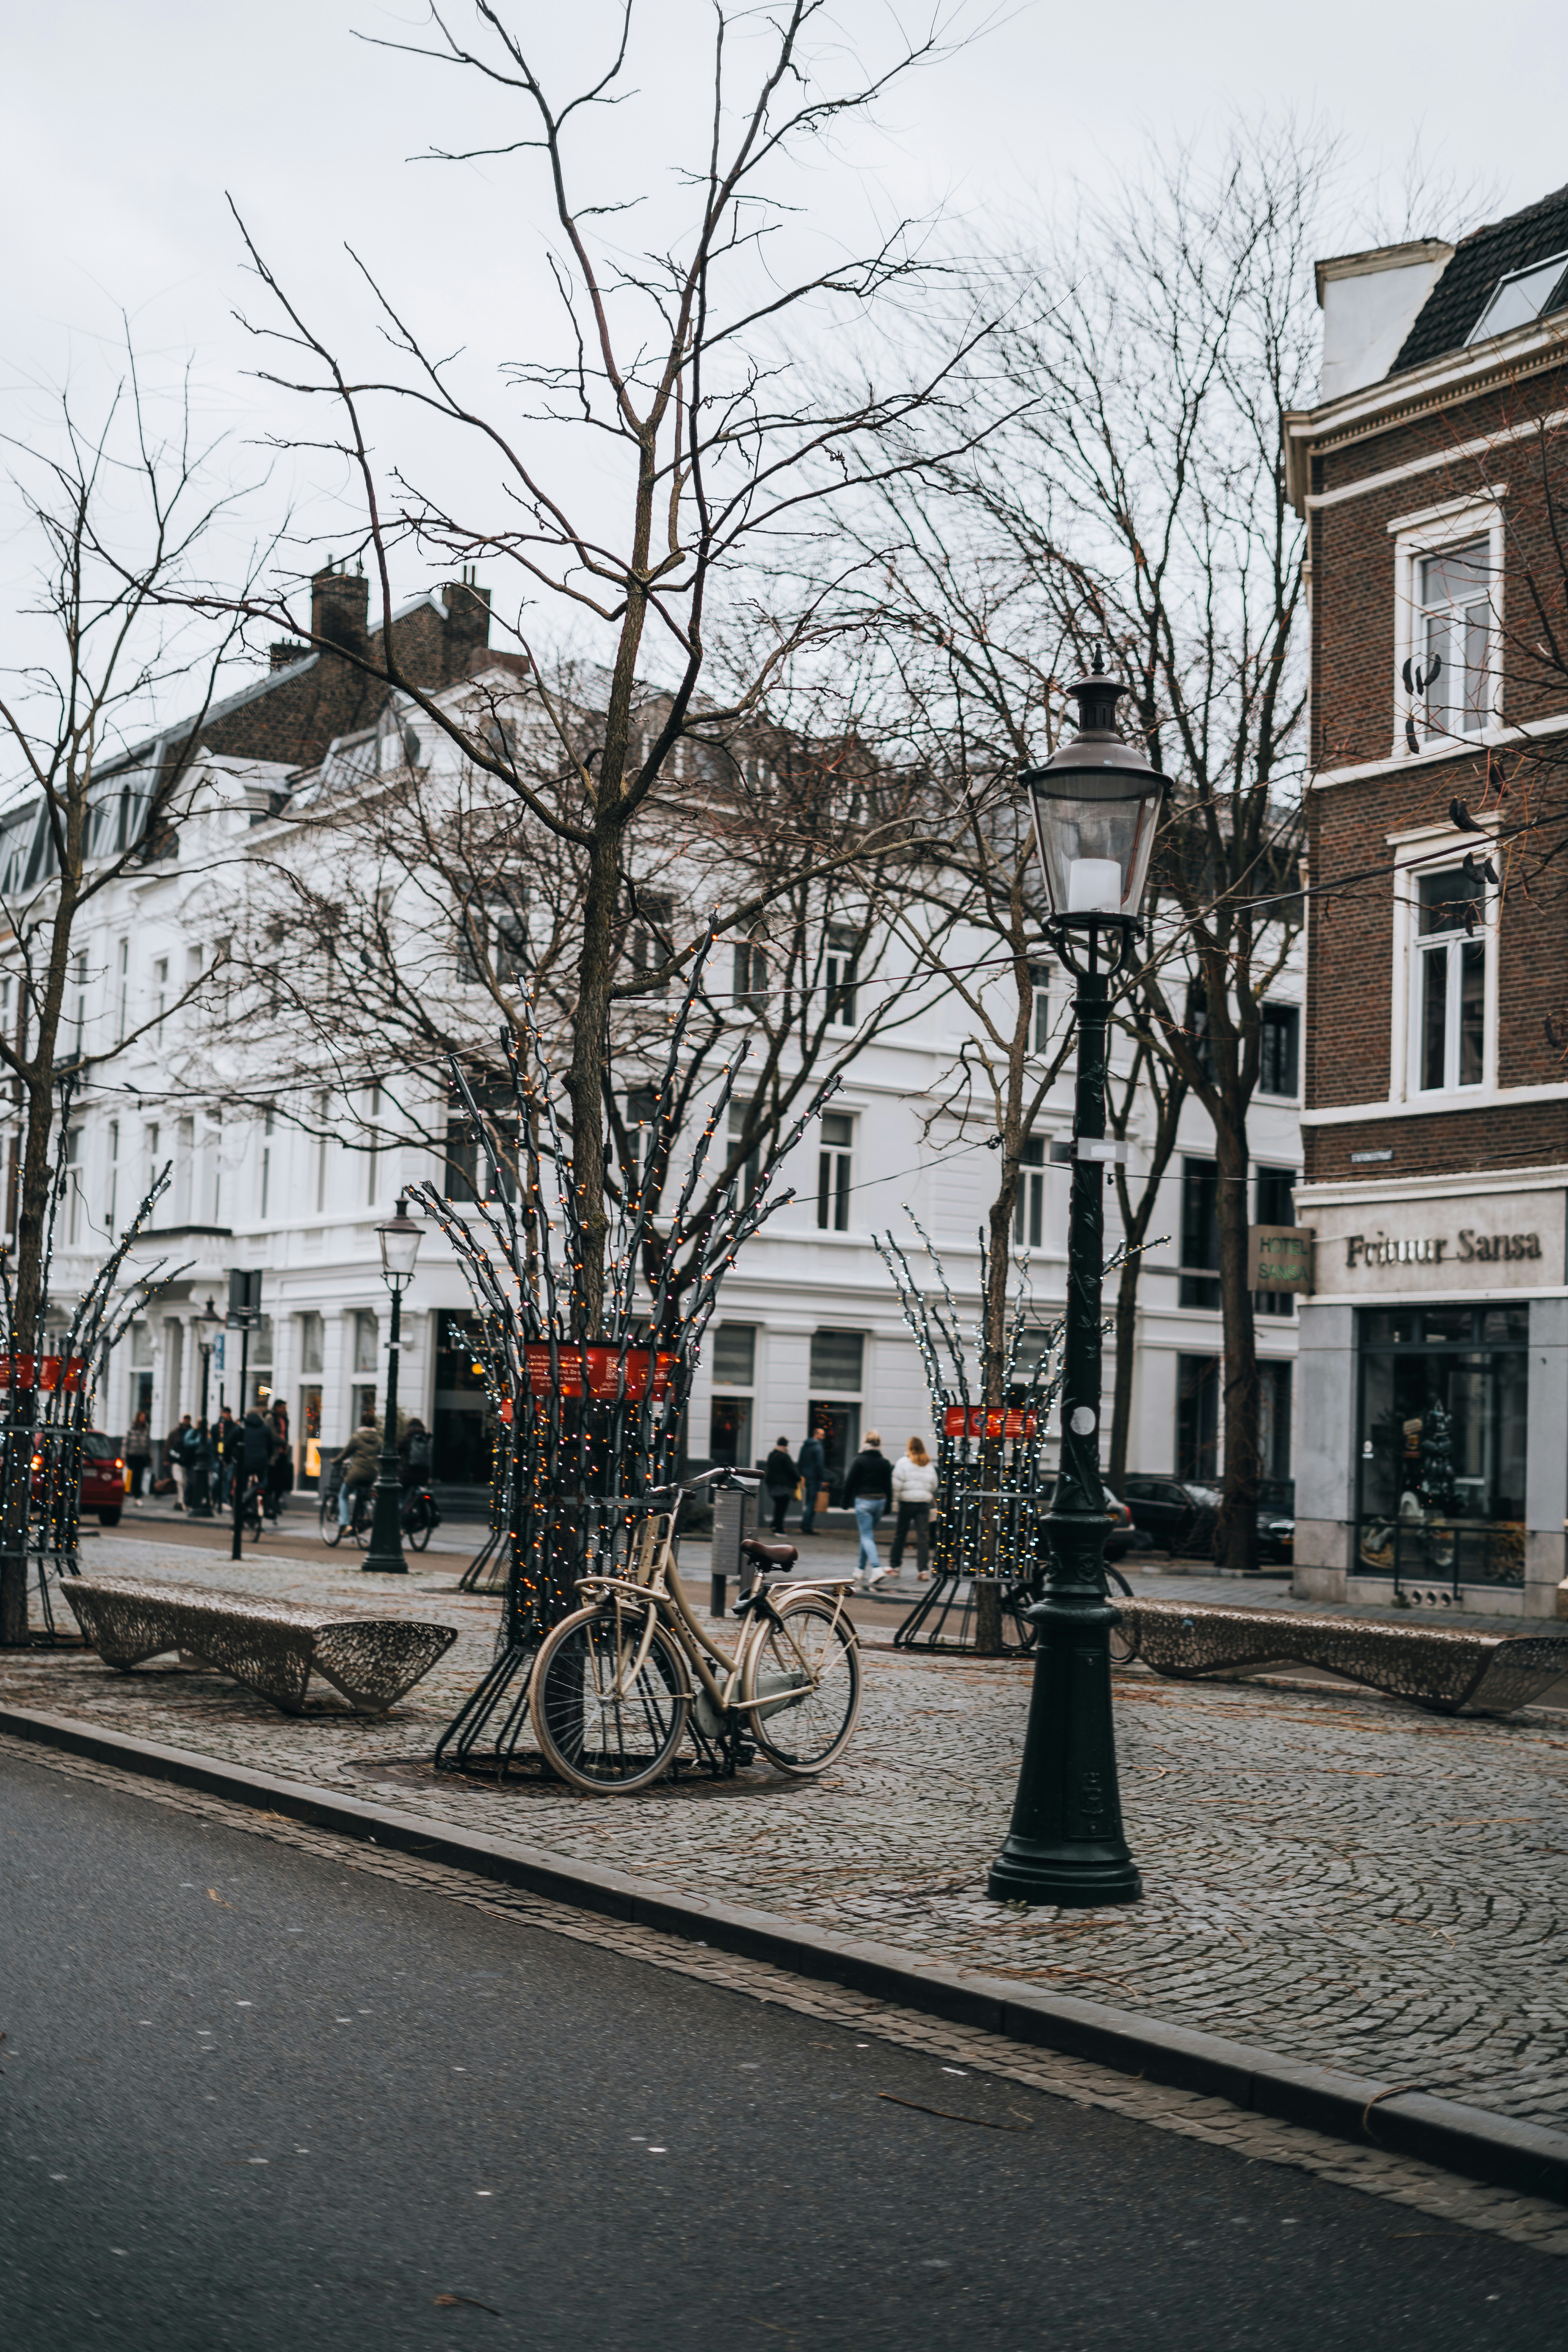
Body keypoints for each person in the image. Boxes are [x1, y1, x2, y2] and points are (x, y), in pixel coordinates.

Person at [841, 1430, 893, 1587]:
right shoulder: (885, 1462)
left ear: (865, 1442)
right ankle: (860, 1570)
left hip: (864, 1501)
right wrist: (888, 1505)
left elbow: (850, 1482)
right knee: (867, 1535)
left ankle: (877, 1569)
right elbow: (888, 1486)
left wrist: (845, 1502)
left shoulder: (860, 1461)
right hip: (880, 1502)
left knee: (867, 1536)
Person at [889, 1436, 938, 1577]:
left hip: (907, 1503)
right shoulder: (928, 1464)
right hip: (923, 1504)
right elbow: (934, 1485)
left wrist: (895, 1502)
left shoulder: (903, 1463)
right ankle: (923, 1570)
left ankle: (895, 1567)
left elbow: (896, 1485)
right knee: (923, 1537)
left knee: (900, 1535)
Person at [337, 1408, 383, 1529]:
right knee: (362, 1495)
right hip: (372, 1474)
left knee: (343, 1496)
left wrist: (335, 1461)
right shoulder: (379, 1440)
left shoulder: (357, 1437)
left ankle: (345, 1524)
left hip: (357, 1473)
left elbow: (346, 1453)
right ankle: (359, 1521)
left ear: (362, 1423)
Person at [235, 1407, 274, 1518]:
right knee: (263, 1483)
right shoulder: (266, 1429)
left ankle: (242, 1506)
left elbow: (229, 1443)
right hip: (261, 1461)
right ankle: (266, 1507)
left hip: (245, 1462)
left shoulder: (241, 1428)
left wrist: (229, 1458)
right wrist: (267, 1458)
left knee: (242, 1485)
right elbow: (271, 1447)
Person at [762, 1437, 798, 1535]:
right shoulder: (785, 1457)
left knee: (778, 1506)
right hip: (782, 1486)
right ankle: (779, 1528)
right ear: (786, 1445)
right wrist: (798, 1479)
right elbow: (791, 1471)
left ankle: (775, 1525)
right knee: (782, 1507)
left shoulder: (773, 1455)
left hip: (772, 1485)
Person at [796, 1425, 828, 1535]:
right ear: (816, 1434)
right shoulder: (818, 1447)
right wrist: (823, 1479)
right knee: (812, 1503)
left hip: (806, 1477)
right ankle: (807, 1526)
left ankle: (805, 1523)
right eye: (822, 1435)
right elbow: (820, 1464)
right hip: (815, 1478)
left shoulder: (805, 1446)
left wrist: (803, 1474)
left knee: (809, 1501)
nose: (824, 1437)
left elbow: (800, 1462)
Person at [165, 1413, 193, 1509]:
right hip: (177, 1460)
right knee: (179, 1481)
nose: (187, 1421)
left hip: (186, 1461)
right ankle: (181, 1500)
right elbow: (168, 1444)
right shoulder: (176, 1431)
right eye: (185, 1419)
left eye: (188, 1419)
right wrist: (166, 1458)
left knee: (185, 1482)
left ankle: (182, 1500)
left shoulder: (191, 1431)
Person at [214, 1407, 238, 1507]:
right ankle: (216, 1498)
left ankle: (224, 1499)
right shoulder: (218, 1427)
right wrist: (220, 1455)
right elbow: (217, 1442)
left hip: (230, 1457)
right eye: (225, 1413)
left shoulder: (234, 1427)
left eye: (228, 1413)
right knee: (219, 1478)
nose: (226, 1415)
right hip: (220, 1456)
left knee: (228, 1479)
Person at [125, 1409, 152, 1502]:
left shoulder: (146, 1429)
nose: (143, 1419)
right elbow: (126, 1443)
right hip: (132, 1455)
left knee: (140, 1475)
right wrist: (124, 1456)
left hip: (142, 1456)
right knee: (133, 1475)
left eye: (144, 1418)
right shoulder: (132, 1429)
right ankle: (132, 1492)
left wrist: (150, 1456)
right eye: (142, 1417)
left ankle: (138, 1494)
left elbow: (148, 1444)